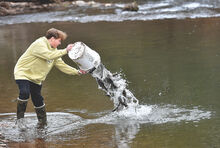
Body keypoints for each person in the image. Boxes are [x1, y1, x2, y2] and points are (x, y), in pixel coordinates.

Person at [14, 28, 86, 128]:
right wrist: (66, 50)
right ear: (52, 39)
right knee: (25, 92)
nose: (60, 43)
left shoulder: (54, 51)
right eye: (59, 41)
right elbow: (48, 56)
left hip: (36, 78)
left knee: (38, 99)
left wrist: (77, 71)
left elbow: (62, 65)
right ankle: (20, 121)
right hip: (23, 73)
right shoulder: (39, 43)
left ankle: (43, 122)